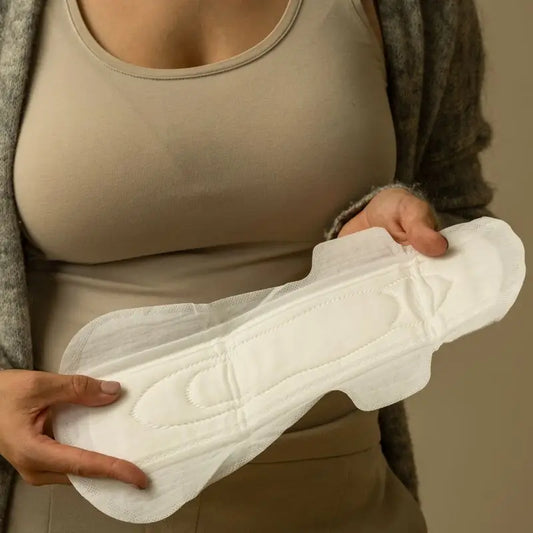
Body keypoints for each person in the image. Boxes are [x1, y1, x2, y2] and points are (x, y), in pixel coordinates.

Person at [0, 0, 495, 531]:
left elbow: (458, 212)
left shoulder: (412, 9)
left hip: (342, 500)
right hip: (72, 509)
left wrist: (391, 242)